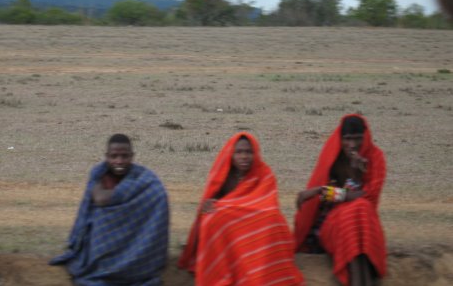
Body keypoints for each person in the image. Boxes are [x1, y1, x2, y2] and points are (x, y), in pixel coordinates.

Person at [178, 132, 304, 286]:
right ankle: (221, 273)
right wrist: (210, 205)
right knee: (211, 219)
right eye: (239, 152)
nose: (244, 156)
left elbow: (268, 205)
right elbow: (211, 201)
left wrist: (236, 210)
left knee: (273, 220)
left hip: (256, 221)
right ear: (231, 154)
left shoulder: (264, 174)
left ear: (255, 154)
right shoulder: (223, 174)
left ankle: (261, 275)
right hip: (234, 223)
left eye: (249, 152)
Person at [50, 133, 169, 286]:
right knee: (100, 220)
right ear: (107, 157)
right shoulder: (98, 174)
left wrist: (108, 195)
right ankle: (104, 267)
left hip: (138, 253)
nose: (119, 161)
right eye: (114, 156)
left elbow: (102, 198)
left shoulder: (145, 180)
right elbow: (99, 200)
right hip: (103, 248)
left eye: (124, 156)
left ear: (132, 156)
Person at [294, 115, 386, 286]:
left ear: (366, 137)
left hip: (364, 222)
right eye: (348, 139)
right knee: (354, 214)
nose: (353, 145)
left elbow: (367, 197)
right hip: (333, 222)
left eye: (358, 139)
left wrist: (321, 190)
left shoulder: (376, 158)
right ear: (340, 139)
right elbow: (327, 201)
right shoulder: (334, 158)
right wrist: (331, 191)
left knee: (359, 209)